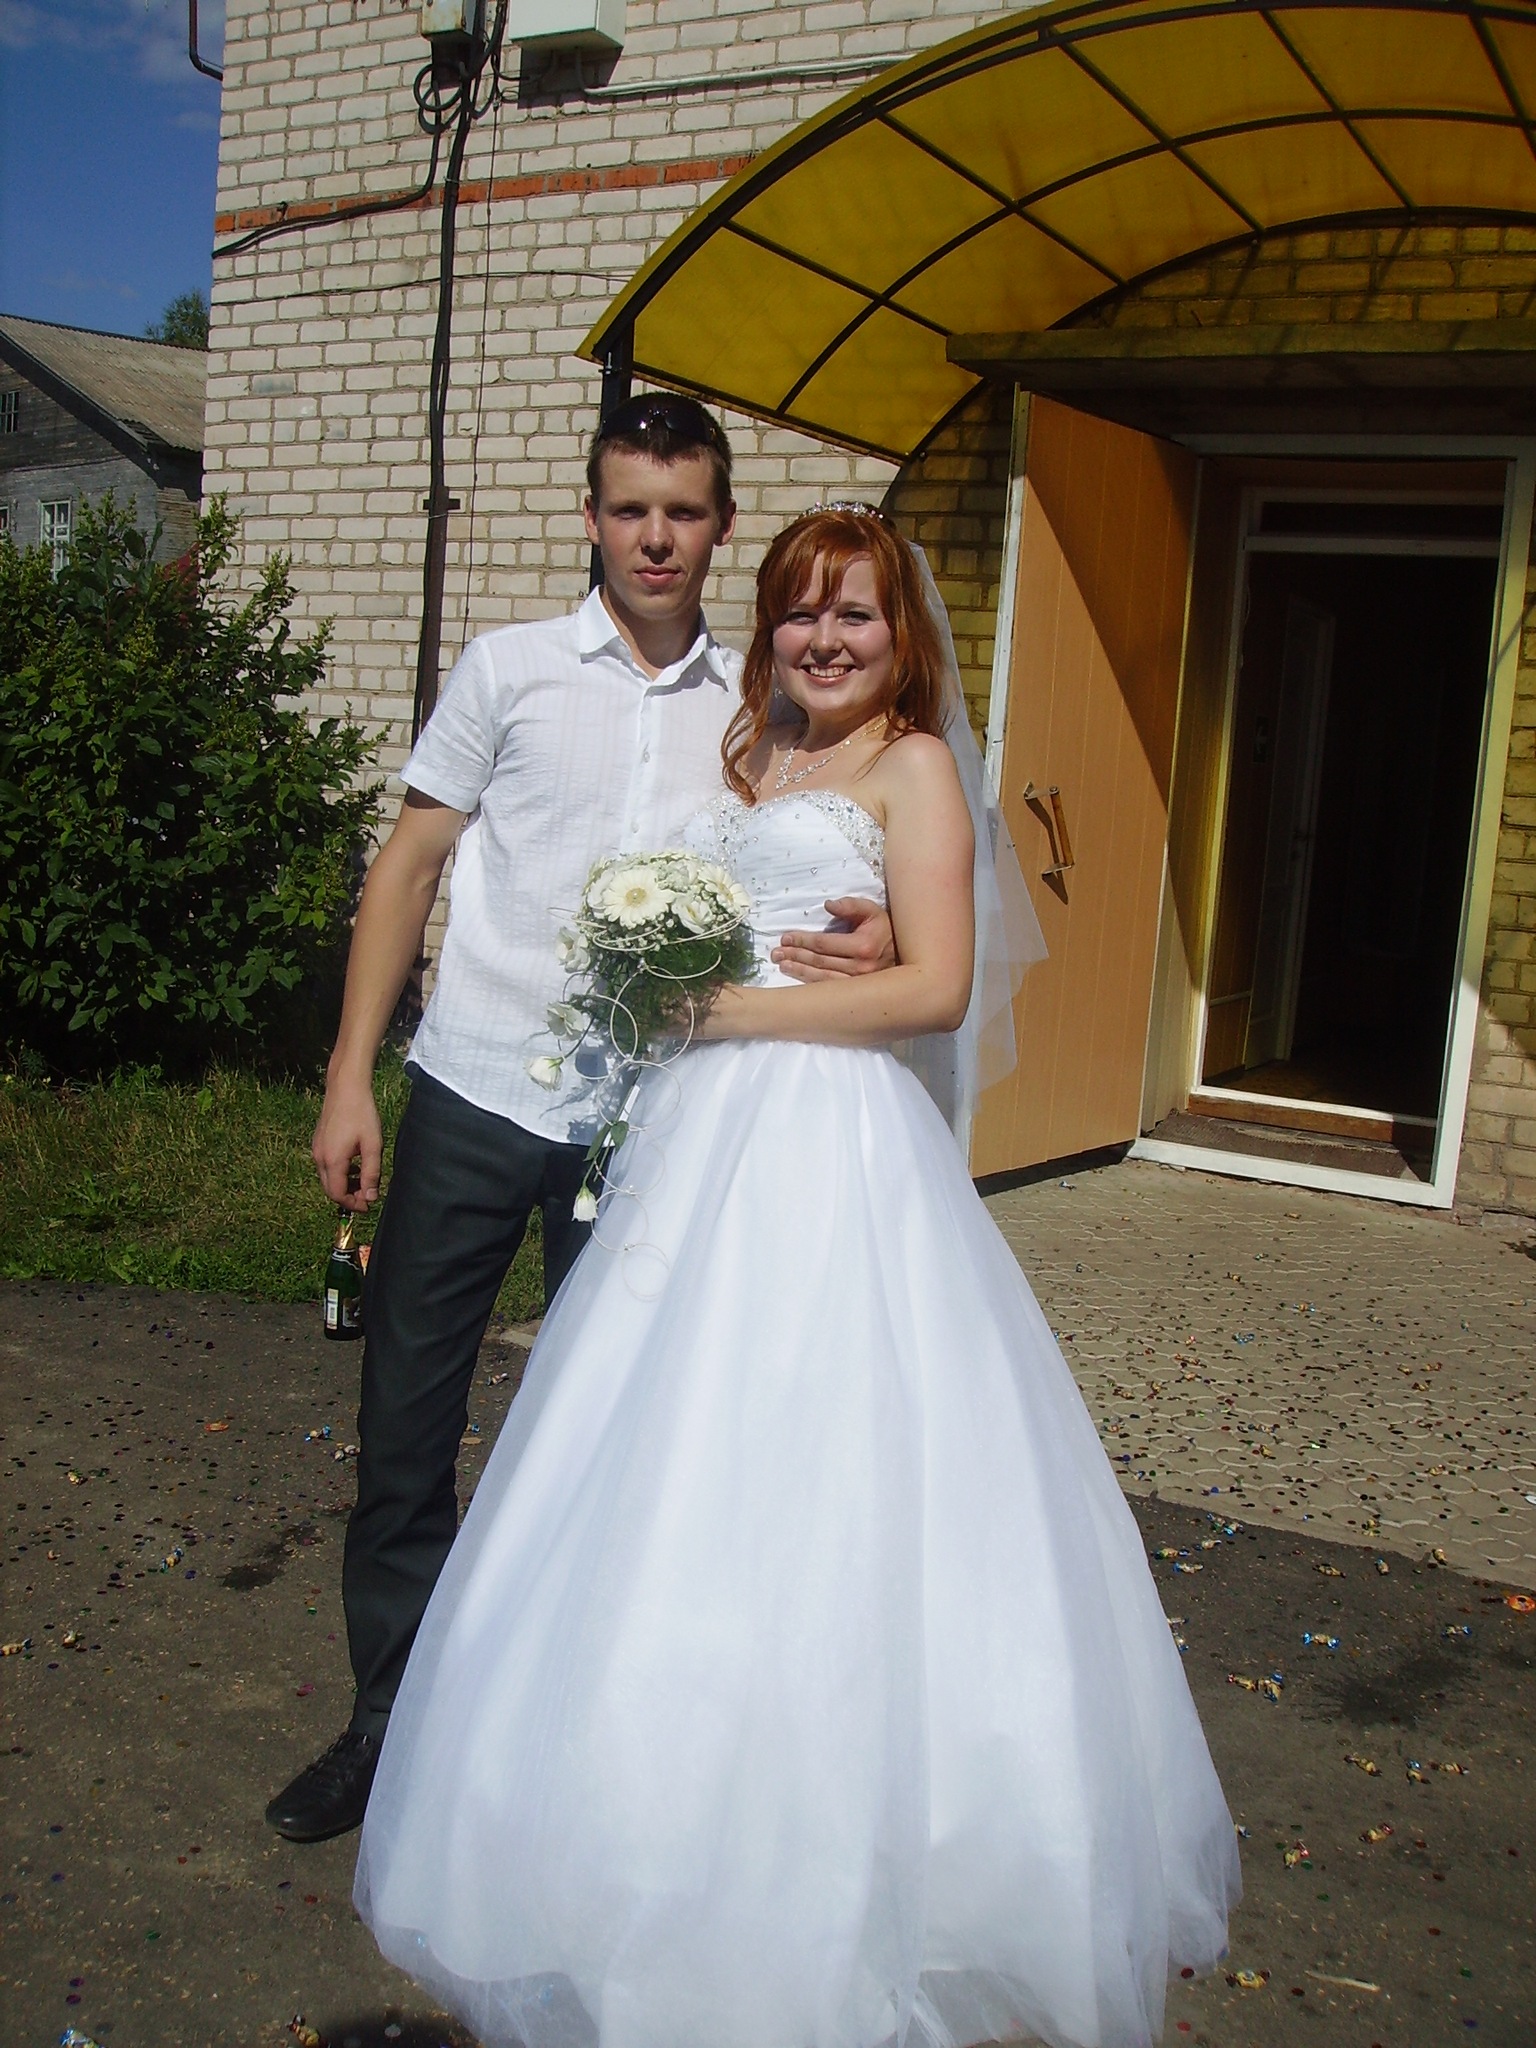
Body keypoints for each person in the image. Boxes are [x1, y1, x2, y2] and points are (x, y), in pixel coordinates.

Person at [354, 508, 1241, 2048]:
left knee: (824, 1455)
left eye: (858, 616)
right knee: (668, 1456)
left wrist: (734, 1013)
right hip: (700, 1142)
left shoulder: (913, 767)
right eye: (800, 614)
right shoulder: (757, 757)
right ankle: (641, 1812)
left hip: (832, 1143)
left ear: (904, 638)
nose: (826, 641)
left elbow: (939, 987)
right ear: (768, 631)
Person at [265, 403, 894, 1844]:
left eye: (684, 511)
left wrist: (876, 931)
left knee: (622, 1440)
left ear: (721, 523)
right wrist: (351, 1073)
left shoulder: (765, 702)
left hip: (654, 1124)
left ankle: (567, 1746)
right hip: (478, 1091)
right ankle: (385, 1728)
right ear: (592, 517)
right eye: (629, 510)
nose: (656, 538)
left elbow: (850, 833)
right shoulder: (510, 670)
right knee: (407, 1423)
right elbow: (407, 867)